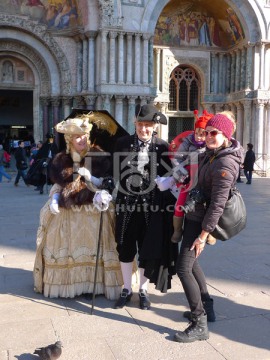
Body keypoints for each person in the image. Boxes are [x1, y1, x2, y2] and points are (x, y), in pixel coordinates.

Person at [33, 116, 123, 299]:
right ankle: (70, 283)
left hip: (95, 211)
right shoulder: (61, 160)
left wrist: (92, 179)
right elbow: (59, 185)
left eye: (83, 136)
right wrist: (54, 199)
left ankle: (95, 284)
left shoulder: (99, 156)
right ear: (69, 139)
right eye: (76, 137)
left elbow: (108, 183)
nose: (81, 140)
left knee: (96, 251)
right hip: (69, 213)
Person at [174, 113, 244, 343]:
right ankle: (208, 307)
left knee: (183, 268)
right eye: (206, 132)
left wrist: (204, 235)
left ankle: (199, 321)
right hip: (195, 215)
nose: (209, 137)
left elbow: (218, 204)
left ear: (226, 136)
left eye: (214, 133)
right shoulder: (211, 155)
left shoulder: (225, 163)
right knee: (191, 265)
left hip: (202, 220)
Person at [113, 104, 178, 310]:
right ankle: (126, 288)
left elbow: (171, 175)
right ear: (135, 123)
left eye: (148, 125)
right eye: (140, 124)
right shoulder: (122, 144)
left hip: (152, 209)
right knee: (124, 247)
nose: (144, 129)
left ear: (154, 126)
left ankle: (142, 290)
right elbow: (111, 172)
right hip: (126, 207)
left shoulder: (163, 147)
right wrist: (104, 189)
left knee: (147, 249)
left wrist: (167, 181)